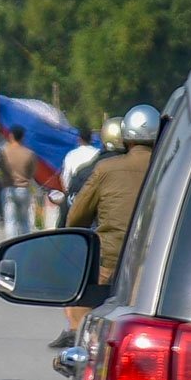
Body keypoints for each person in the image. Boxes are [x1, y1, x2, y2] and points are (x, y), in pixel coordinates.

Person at [49, 116, 125, 348]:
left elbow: (74, 213)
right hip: (147, 255)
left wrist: (63, 236)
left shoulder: (91, 171)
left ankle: (76, 334)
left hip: (101, 253)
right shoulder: (157, 166)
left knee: (77, 288)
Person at [0, 124, 37, 237]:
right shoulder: (29, 153)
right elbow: (32, 173)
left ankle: (11, 244)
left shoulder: (4, 152)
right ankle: (24, 244)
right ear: (23, 137)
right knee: (24, 220)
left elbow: (0, 169)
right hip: (24, 189)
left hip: (8, 189)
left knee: (11, 221)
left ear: (11, 136)